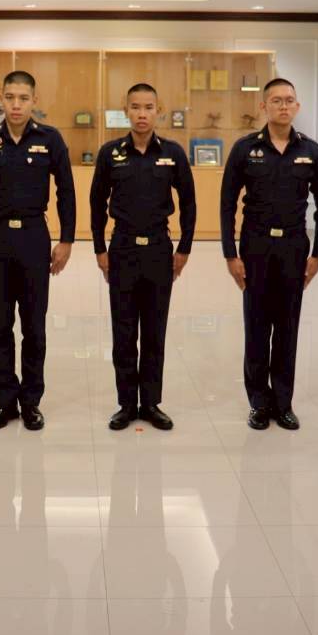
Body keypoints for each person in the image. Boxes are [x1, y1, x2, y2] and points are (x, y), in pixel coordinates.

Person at [0, 70, 76, 431]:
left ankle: (30, 402)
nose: (16, 105)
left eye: (23, 98)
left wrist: (66, 240)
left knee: (34, 326)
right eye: (10, 97)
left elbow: (66, 191)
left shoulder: (49, 139)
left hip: (33, 237)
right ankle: (4, 401)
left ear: (34, 101)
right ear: (1, 98)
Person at [221, 78, 318, 430]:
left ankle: (283, 402)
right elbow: (227, 203)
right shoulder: (245, 149)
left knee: (287, 328)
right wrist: (230, 254)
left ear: (297, 106)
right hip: (256, 247)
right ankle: (258, 402)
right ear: (264, 107)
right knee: (256, 327)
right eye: (276, 100)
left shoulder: (311, 151)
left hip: (293, 248)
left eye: (289, 100)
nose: (284, 106)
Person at [89, 83, 196, 431]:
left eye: (149, 107)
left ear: (158, 110)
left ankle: (150, 403)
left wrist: (184, 248)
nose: (142, 114)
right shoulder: (110, 153)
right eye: (135, 107)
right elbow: (96, 203)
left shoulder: (173, 153)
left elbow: (189, 202)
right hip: (122, 249)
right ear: (126, 110)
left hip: (158, 250)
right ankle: (126, 404)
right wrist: (99, 249)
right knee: (123, 331)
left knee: (154, 330)